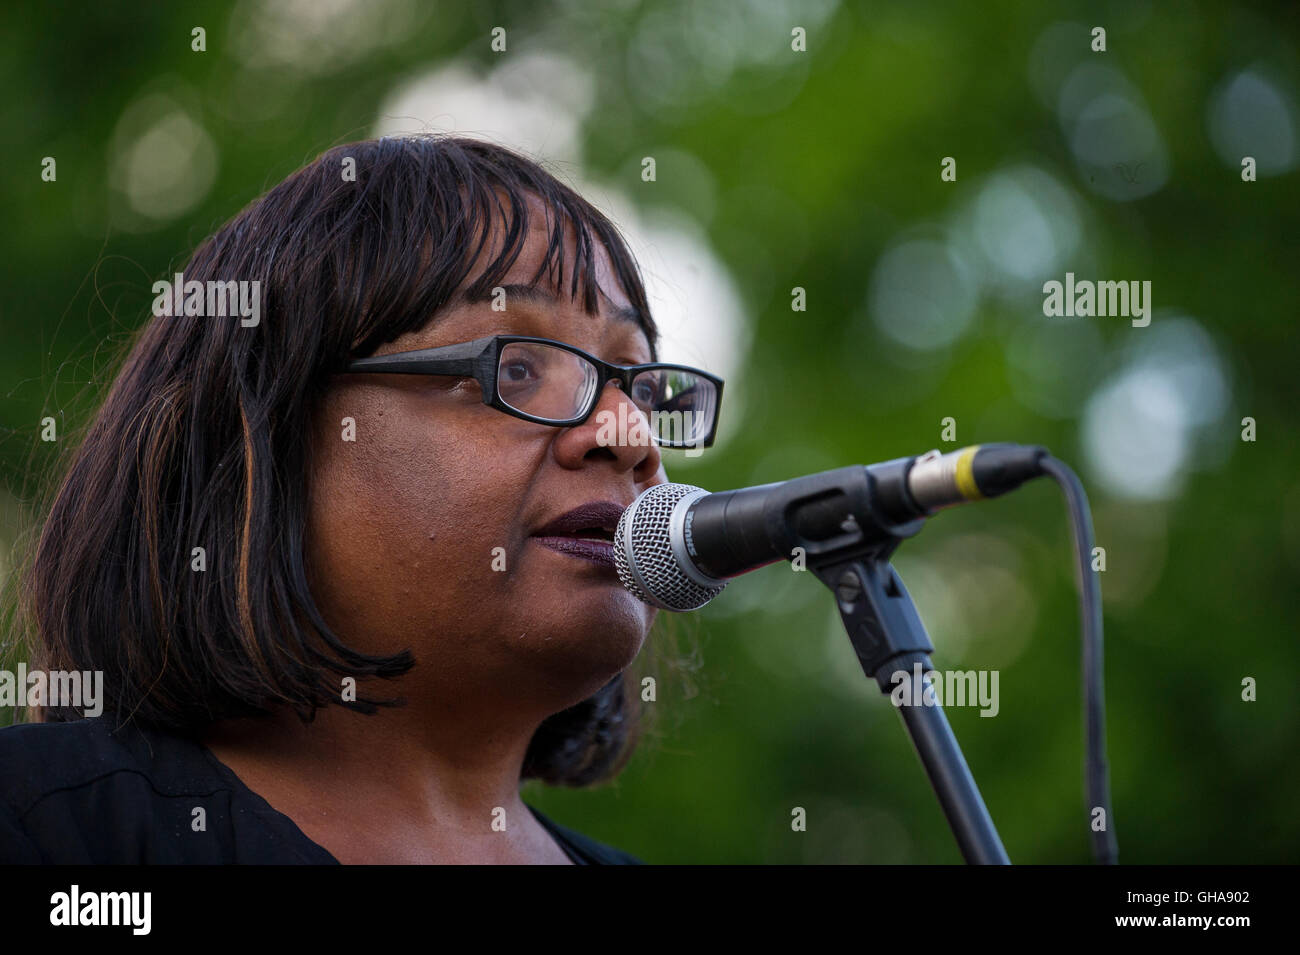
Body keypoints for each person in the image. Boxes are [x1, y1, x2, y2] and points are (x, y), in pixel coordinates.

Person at [0, 134, 723, 864]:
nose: (629, 434)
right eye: (518, 367)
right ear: (258, 446)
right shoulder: (49, 827)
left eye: (637, 384)